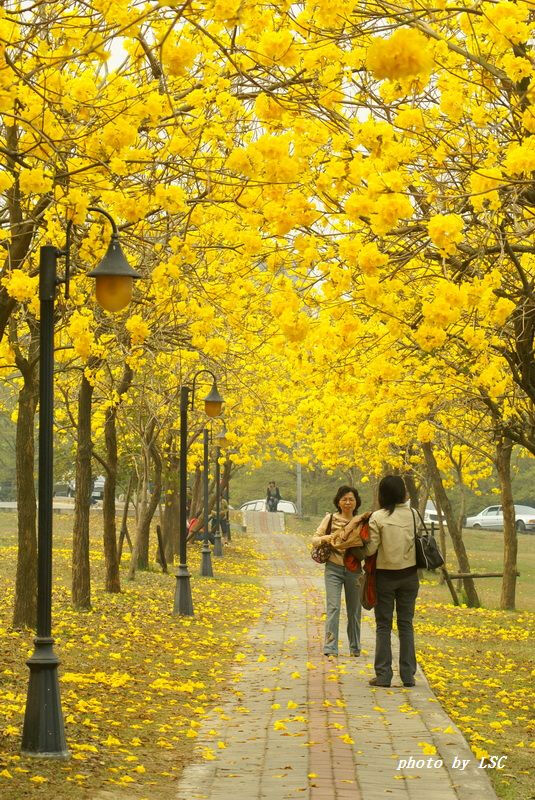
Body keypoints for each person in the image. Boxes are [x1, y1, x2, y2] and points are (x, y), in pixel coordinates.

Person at [365, 475, 419, 688]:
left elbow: (370, 549)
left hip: (385, 577)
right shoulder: (413, 514)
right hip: (409, 576)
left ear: (383, 493)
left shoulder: (377, 517)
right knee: (406, 625)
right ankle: (408, 676)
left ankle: (384, 675)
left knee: (383, 626)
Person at [311, 486, 368, 659]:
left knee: (354, 610)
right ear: (338, 501)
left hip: (354, 570)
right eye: (344, 499)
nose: (348, 502)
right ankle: (330, 647)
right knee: (333, 607)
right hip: (333, 569)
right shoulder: (330, 519)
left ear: (356, 501)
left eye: (351, 499)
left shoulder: (360, 521)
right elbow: (314, 539)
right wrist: (326, 538)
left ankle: (355, 647)